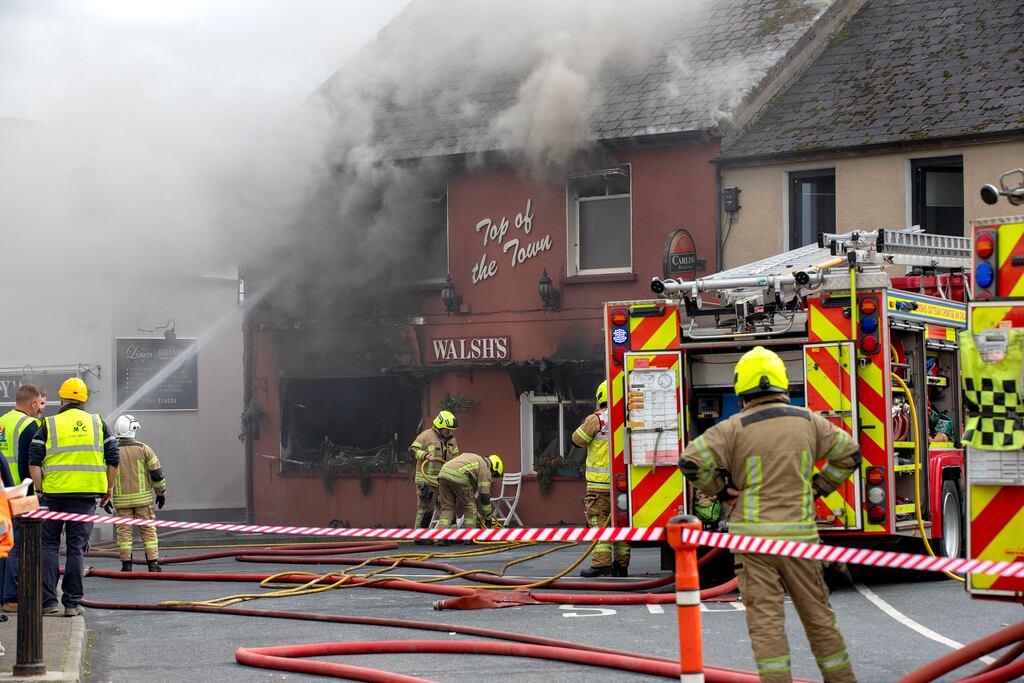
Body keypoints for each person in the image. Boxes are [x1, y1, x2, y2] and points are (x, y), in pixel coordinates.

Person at [679, 346, 860, 683]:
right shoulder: (809, 421)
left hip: (754, 543)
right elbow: (849, 454)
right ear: (781, 383)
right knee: (820, 620)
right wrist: (819, 487)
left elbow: (690, 461)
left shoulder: (732, 428)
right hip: (801, 541)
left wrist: (720, 489)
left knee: (766, 625)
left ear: (741, 386)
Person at [28, 377, 119, 617]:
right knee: (76, 548)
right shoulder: (98, 422)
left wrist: (39, 490)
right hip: (85, 496)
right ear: (84, 400)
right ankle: (71, 604)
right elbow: (113, 459)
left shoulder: (49, 423)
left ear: (62, 399)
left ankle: (49, 602)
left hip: (53, 495)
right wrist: (108, 489)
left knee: (48, 546)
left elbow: (34, 461)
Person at [572, 380, 629, 577]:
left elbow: (577, 440)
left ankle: (601, 563)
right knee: (621, 524)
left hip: (599, 485)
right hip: (624, 484)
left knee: (598, 520)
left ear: (600, 396)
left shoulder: (597, 419)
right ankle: (621, 566)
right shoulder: (628, 416)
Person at [0, 384, 46, 612]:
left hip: (2, 493)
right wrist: (37, 491)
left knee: (3, 544)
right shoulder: (31, 424)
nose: (41, 408)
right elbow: (32, 463)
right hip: (20, 494)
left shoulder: (2, 421)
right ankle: (11, 598)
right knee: (17, 545)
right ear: (32, 403)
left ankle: (3, 596)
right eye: (40, 403)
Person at [107, 414, 166, 573]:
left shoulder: (112, 450)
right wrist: (160, 493)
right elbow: (157, 474)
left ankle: (126, 566)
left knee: (124, 533)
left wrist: (105, 497)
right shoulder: (144, 449)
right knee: (148, 531)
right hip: (143, 502)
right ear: (133, 429)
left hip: (122, 502)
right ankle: (153, 564)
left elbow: (104, 474)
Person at [409, 410, 460, 538]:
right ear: (439, 425)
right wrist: (425, 455)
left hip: (443, 481)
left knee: (448, 506)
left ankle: (452, 536)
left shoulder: (452, 441)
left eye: (451, 430)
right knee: (426, 508)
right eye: (447, 429)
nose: (449, 432)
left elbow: (455, 459)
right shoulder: (426, 436)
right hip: (426, 481)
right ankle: (421, 537)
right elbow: (412, 450)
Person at [435, 452, 502, 537]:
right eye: (493, 474)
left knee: (447, 508)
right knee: (469, 506)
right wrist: (487, 517)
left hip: (442, 475)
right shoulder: (485, 468)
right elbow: (484, 496)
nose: (491, 476)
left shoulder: (472, 457)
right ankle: (469, 536)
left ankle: (443, 537)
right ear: (493, 467)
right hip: (459, 476)